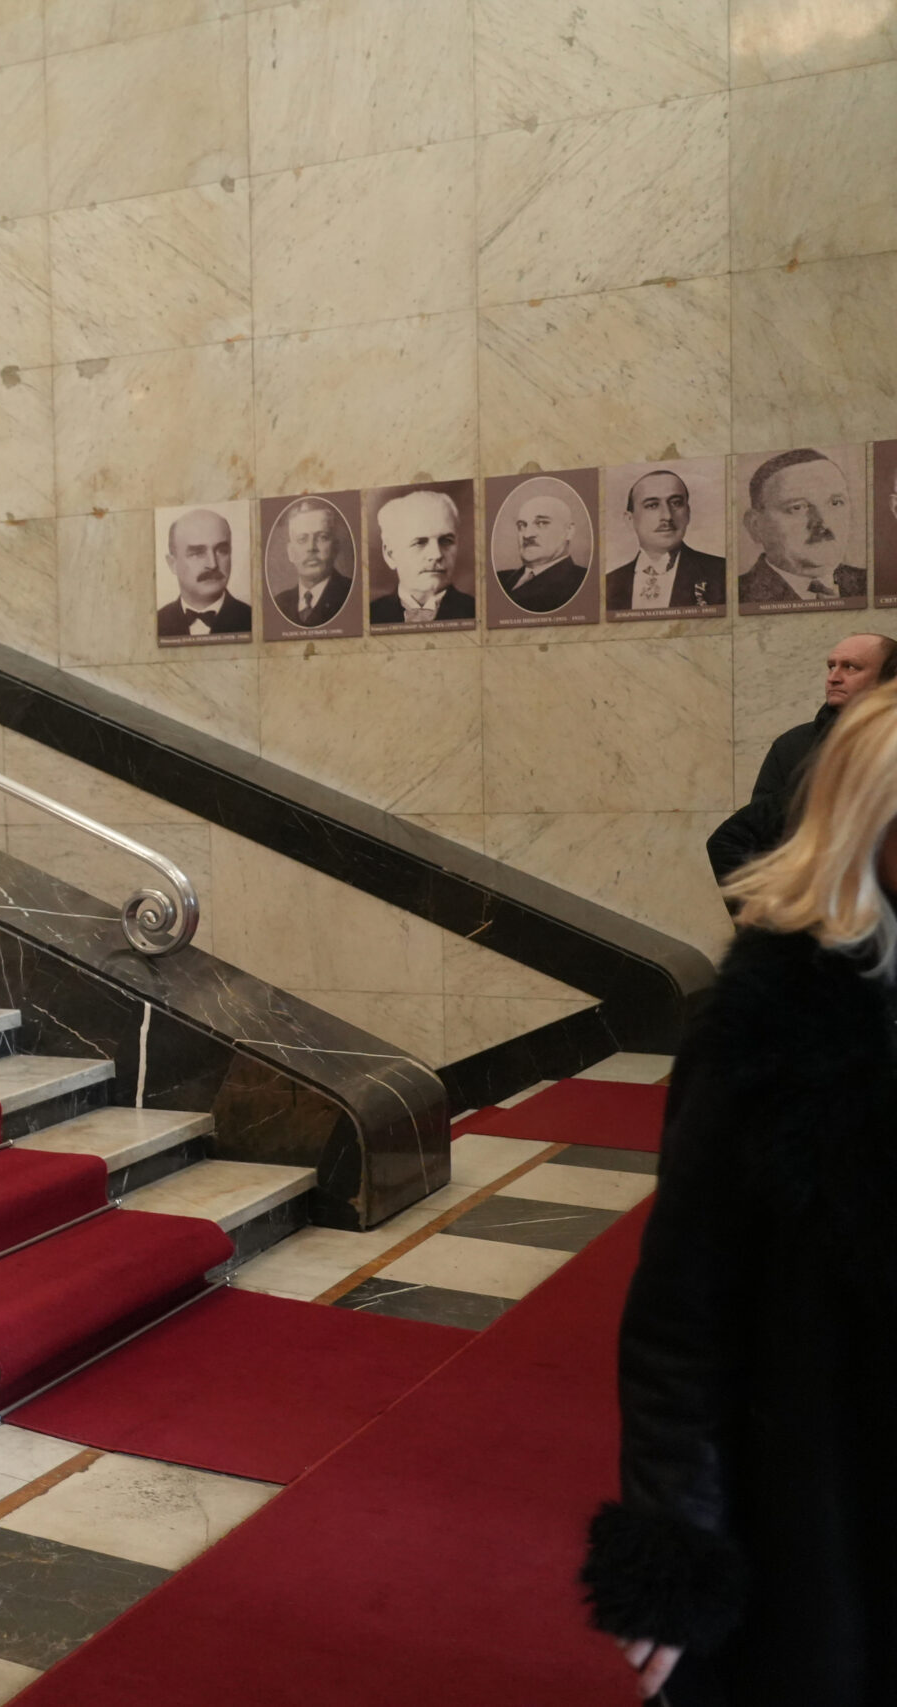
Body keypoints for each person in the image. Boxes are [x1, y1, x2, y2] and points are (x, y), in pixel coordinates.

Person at [584, 680, 897, 1705]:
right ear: (872, 826)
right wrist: (675, 1550)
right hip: (823, 1521)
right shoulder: (769, 1034)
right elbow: (682, 1321)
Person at [706, 632, 897, 883]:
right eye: (831, 666)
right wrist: (770, 907)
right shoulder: (792, 745)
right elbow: (756, 841)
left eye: (851, 667)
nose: (834, 677)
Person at [738, 448, 866, 606]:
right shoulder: (733, 596)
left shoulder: (873, 582)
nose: (824, 523)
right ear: (755, 526)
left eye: (835, 503)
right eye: (797, 507)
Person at [604, 469, 725, 614]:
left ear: (688, 513)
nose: (667, 516)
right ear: (630, 520)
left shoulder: (722, 573)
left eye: (676, 503)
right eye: (652, 505)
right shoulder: (608, 584)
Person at [368, 488, 475, 624]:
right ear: (390, 555)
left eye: (446, 541)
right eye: (419, 543)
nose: (436, 554)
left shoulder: (476, 611)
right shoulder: (370, 615)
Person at [153, 508, 249, 637]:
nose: (213, 564)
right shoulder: (156, 623)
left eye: (222, 551)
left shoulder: (250, 619)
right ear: (172, 564)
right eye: (197, 553)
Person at [499, 488, 585, 613]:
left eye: (542, 523)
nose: (527, 534)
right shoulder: (499, 579)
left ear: (569, 531)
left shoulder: (581, 583)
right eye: (522, 525)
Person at [270, 497, 351, 628]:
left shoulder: (350, 594)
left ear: (335, 548)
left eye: (322, 537)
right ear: (291, 552)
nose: (311, 548)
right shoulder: (280, 603)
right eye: (302, 539)